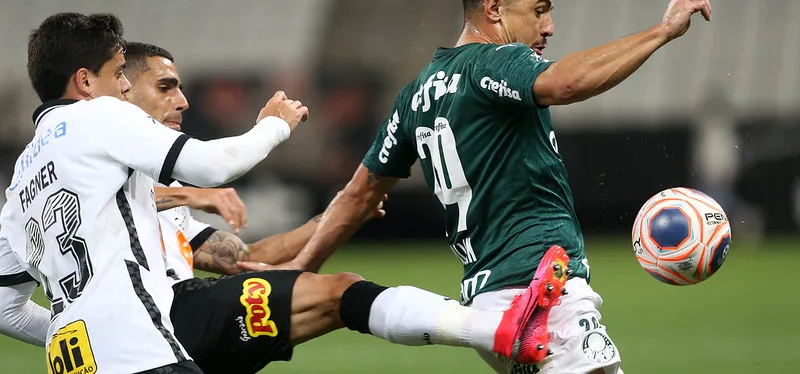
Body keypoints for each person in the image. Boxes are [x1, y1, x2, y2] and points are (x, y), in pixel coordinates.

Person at [274, 0, 712, 374]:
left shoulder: (414, 96)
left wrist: (299, 266)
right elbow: (565, 84)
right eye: (540, 9)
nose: (550, 26)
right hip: (540, 294)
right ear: (494, 8)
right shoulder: (493, 63)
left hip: (485, 306)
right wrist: (662, 31)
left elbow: (357, 194)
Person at [0, 38, 565, 373]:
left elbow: (238, 258)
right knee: (339, 292)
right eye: (160, 86)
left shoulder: (67, 182)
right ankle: (495, 328)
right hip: (160, 318)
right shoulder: (111, 142)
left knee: (335, 294)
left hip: (126, 333)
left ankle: (492, 329)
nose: (182, 100)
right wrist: (270, 127)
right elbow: (215, 169)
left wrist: (330, 220)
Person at [0, 12, 308, 373]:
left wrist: (84, 333)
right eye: (117, 74)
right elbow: (214, 166)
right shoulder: (98, 115)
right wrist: (274, 125)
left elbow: (5, 307)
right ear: (84, 81)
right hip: (141, 352)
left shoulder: (22, 178)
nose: (126, 87)